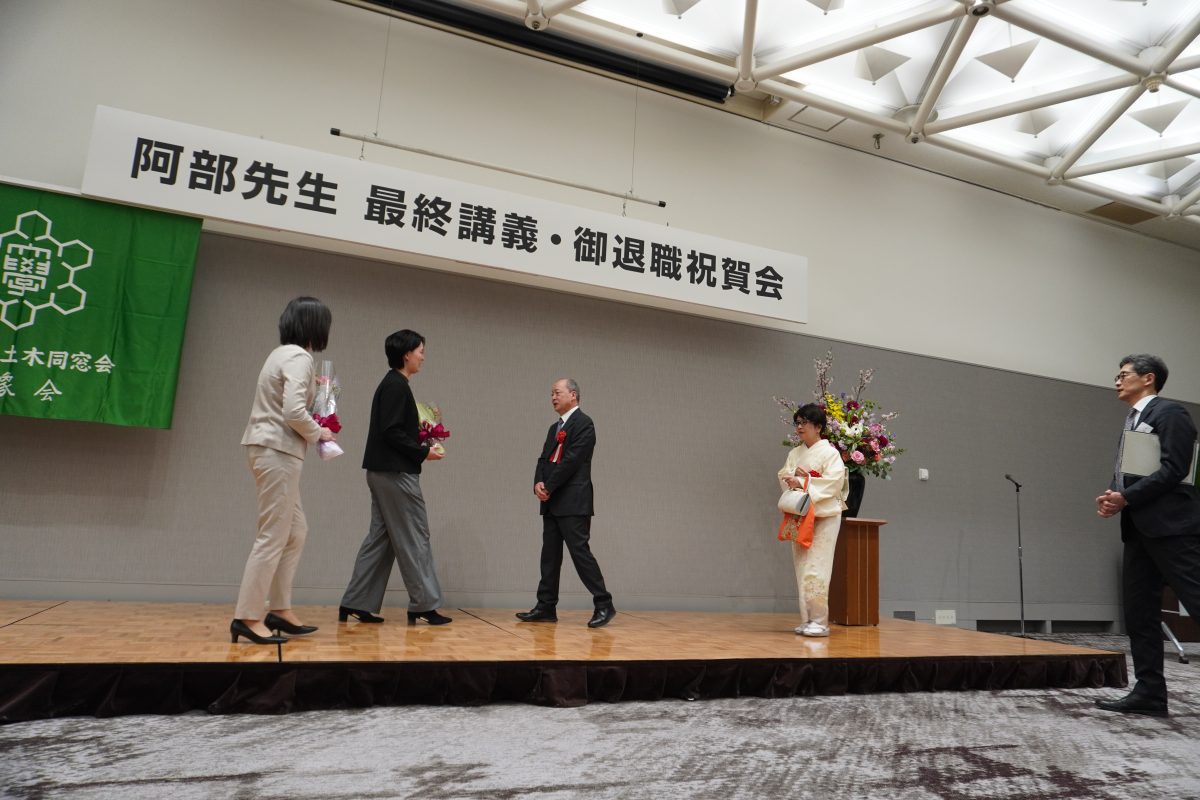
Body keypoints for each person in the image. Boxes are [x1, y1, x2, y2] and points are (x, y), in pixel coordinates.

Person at [1095, 354, 1200, 718]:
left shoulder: (1170, 413)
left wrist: (1127, 497)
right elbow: (1135, 471)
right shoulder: (1133, 420)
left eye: (1123, 374)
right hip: (1138, 530)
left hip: (1173, 527)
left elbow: (1175, 468)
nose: (1117, 380)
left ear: (1148, 378)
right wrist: (1114, 497)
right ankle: (1149, 693)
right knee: (1139, 614)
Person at [232, 296, 335, 645]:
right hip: (276, 450)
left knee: (295, 531)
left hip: (268, 448)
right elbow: (292, 411)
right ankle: (247, 616)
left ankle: (279, 609)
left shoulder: (280, 354)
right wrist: (319, 432)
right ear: (315, 326)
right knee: (273, 534)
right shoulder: (300, 357)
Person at [339, 330, 451, 626]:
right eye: (420, 351)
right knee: (415, 535)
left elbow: (392, 430)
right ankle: (423, 605)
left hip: (382, 472)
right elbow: (391, 432)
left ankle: (355, 602)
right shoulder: (396, 386)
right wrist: (423, 451)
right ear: (407, 354)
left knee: (382, 538)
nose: (423, 357)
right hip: (395, 473)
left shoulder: (392, 385)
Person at [516, 378, 616, 628]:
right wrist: (538, 482)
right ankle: (546, 606)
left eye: (557, 393)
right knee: (549, 556)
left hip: (573, 500)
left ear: (573, 395)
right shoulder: (554, 427)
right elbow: (543, 458)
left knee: (580, 553)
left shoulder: (584, 423)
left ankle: (604, 604)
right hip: (552, 501)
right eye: (551, 393)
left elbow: (572, 461)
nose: (553, 397)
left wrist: (548, 486)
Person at [778, 403, 849, 637]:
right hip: (801, 513)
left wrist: (804, 480)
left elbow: (835, 482)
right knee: (802, 567)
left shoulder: (830, 453)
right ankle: (807, 619)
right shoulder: (795, 453)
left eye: (804, 423)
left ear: (818, 427)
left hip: (824, 516)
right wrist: (791, 479)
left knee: (817, 567)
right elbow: (783, 474)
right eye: (797, 423)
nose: (799, 427)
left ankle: (819, 620)